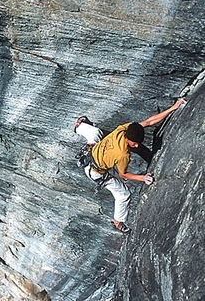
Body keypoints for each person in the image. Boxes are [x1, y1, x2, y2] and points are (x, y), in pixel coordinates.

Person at [74, 99, 185, 233]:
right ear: (127, 139)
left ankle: (80, 126)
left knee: (97, 133)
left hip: (91, 152)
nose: (137, 145)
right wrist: (143, 178)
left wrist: (173, 107)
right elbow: (123, 175)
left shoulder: (124, 128)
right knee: (123, 194)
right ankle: (118, 222)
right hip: (95, 172)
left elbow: (149, 122)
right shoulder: (122, 154)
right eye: (134, 143)